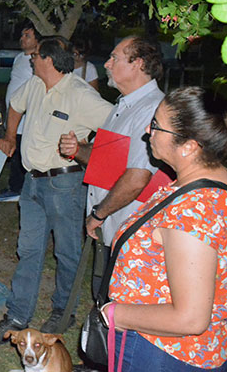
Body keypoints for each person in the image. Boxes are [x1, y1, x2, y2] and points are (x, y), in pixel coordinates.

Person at [103, 87, 227, 371]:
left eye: (156, 125)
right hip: (198, 348)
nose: (147, 130)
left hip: (162, 352)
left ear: (189, 146)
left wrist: (116, 314)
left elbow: (190, 319)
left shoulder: (193, 213)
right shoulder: (219, 180)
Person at [0, 36, 112, 342]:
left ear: (50, 61)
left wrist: (85, 147)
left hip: (65, 184)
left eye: (36, 55)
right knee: (28, 250)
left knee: (67, 252)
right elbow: (15, 106)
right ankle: (16, 316)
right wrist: (11, 136)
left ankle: (62, 313)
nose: (31, 58)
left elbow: (118, 126)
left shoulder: (80, 95)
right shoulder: (35, 85)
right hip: (32, 183)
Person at [58, 37, 164, 292]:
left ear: (138, 64)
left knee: (117, 304)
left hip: (131, 232)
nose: (106, 63)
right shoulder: (124, 105)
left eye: (114, 57)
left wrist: (98, 214)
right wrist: (79, 151)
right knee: (103, 295)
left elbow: (138, 177)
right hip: (113, 227)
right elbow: (109, 161)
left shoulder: (151, 109)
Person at [0, 20, 40, 202]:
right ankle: (15, 187)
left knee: (21, 153)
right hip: (14, 115)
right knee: (14, 153)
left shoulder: (38, 61)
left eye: (27, 36)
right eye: (22, 35)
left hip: (26, 118)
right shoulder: (20, 58)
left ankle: (18, 189)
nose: (22, 39)